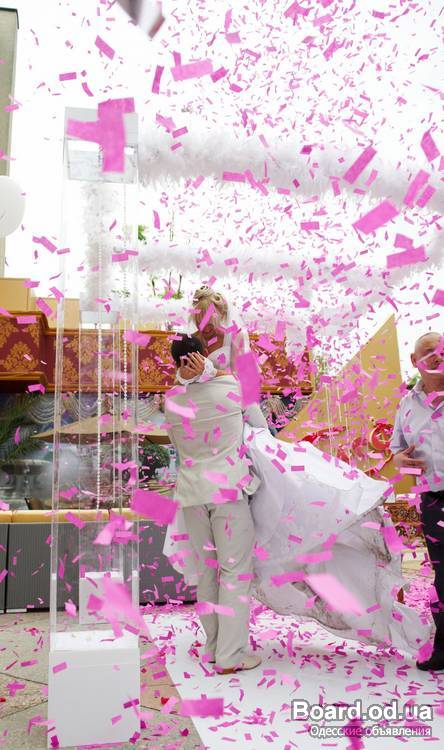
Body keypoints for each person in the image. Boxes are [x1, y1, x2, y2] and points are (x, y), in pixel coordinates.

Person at [163, 288, 431, 658]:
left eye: (209, 317)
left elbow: (247, 392)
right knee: (231, 563)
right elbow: (225, 396)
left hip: (227, 443)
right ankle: (228, 647)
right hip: (223, 445)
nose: (204, 324)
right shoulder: (200, 362)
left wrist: (256, 427)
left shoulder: (225, 349)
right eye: (199, 317)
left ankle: (219, 642)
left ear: (220, 314)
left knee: (242, 543)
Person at [164, 333, 262, 674]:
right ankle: (231, 656)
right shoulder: (232, 386)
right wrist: (214, 372)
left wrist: (185, 380)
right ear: (205, 354)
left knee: (207, 572)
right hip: (228, 492)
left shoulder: (171, 400)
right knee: (234, 572)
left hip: (191, 495)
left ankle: (213, 648)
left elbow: (176, 441)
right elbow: (260, 427)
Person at [390, 331, 444, 671]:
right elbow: (397, 450)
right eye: (429, 351)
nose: (438, 355)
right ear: (415, 361)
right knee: (442, 577)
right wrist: (401, 460)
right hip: (432, 500)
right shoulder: (407, 404)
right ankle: (443, 646)